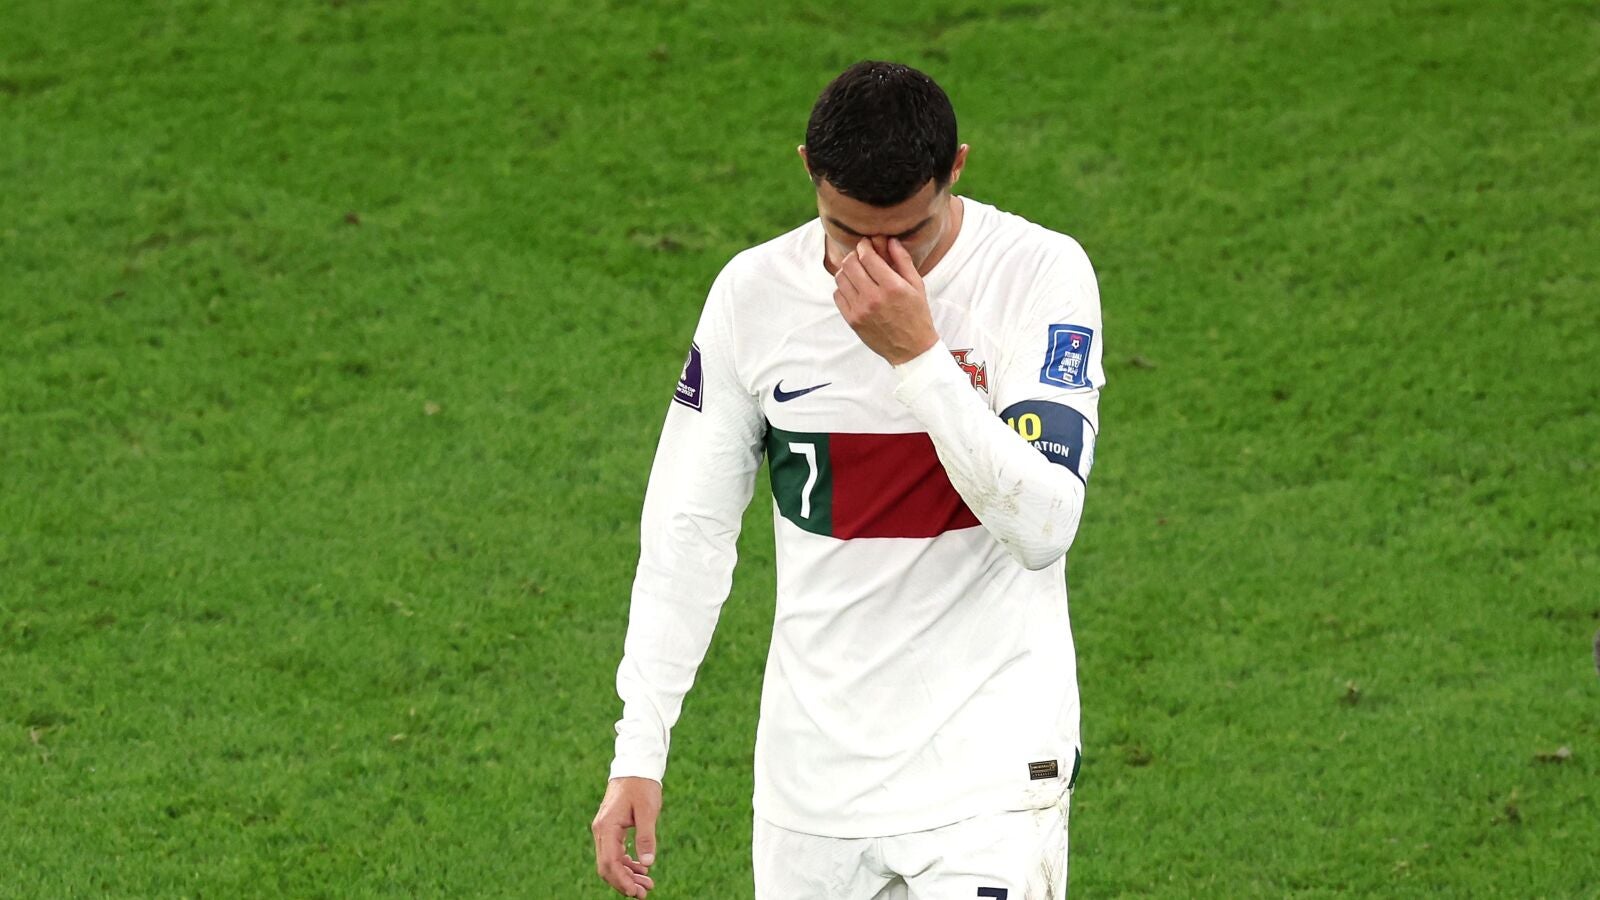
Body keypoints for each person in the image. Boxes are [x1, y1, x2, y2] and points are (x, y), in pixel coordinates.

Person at [591, 60, 1105, 900]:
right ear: (807, 170)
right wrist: (638, 750)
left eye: (909, 236)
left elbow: (1044, 526)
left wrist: (918, 355)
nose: (875, 265)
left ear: (957, 170)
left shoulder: (1036, 274)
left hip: (990, 785)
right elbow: (688, 531)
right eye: (844, 233)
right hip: (811, 799)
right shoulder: (753, 296)